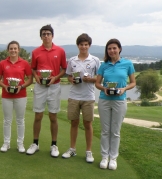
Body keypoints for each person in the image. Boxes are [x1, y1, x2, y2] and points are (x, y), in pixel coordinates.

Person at [26, 24, 67, 157]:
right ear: (41, 37)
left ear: (52, 36)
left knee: (53, 116)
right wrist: (37, 77)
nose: (46, 36)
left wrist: (55, 77)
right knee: (38, 115)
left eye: (48, 34)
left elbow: (64, 69)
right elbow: (32, 68)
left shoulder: (60, 51)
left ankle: (54, 145)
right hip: (40, 87)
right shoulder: (36, 52)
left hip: (54, 86)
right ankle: (35, 144)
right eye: (43, 34)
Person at [95, 39, 136, 170]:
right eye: (109, 48)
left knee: (116, 131)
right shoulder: (104, 65)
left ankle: (113, 158)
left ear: (119, 49)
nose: (112, 50)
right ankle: (104, 157)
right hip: (104, 100)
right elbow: (97, 83)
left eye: (114, 48)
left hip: (120, 100)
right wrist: (104, 89)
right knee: (105, 131)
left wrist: (124, 89)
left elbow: (133, 82)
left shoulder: (127, 63)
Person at [61, 33, 100, 163]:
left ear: (89, 45)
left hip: (88, 96)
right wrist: (72, 80)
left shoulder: (95, 60)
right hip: (74, 96)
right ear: (78, 45)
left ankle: (89, 152)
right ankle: (72, 149)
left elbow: (99, 79)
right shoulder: (72, 60)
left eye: (86, 44)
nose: (83, 47)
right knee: (74, 122)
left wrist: (91, 79)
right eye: (81, 44)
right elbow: (69, 76)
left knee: (88, 124)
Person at [0, 41, 33, 153]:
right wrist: (5, 86)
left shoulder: (25, 63)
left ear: (19, 50)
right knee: (7, 120)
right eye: (11, 48)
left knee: (20, 120)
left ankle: (20, 144)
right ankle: (6, 143)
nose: (13, 50)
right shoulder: (2, 63)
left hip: (20, 95)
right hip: (6, 95)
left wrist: (21, 87)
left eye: (15, 48)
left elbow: (30, 79)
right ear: (8, 50)